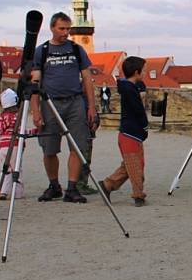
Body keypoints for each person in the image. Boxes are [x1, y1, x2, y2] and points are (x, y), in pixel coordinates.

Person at [31, 12, 95, 204]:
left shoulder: (76, 49)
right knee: (49, 149)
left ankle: (72, 187)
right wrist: (35, 110)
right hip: (50, 102)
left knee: (77, 146)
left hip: (75, 101)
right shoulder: (41, 51)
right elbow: (35, 82)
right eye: (62, 29)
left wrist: (91, 106)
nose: (66, 33)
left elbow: (87, 79)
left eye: (68, 29)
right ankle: (54, 185)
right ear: (52, 28)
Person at [99, 56, 149, 207]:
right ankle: (138, 195)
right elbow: (138, 110)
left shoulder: (129, 87)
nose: (146, 72)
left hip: (131, 133)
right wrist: (144, 125)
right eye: (144, 70)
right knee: (135, 166)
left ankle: (107, 185)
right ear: (136, 72)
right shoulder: (129, 89)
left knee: (133, 164)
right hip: (130, 133)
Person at [0, 89, 23, 200]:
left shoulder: (1, 117)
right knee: (16, 168)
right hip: (14, 145)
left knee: (5, 168)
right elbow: (22, 131)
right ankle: (16, 192)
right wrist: (36, 131)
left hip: (2, 146)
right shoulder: (16, 117)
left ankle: (2, 190)